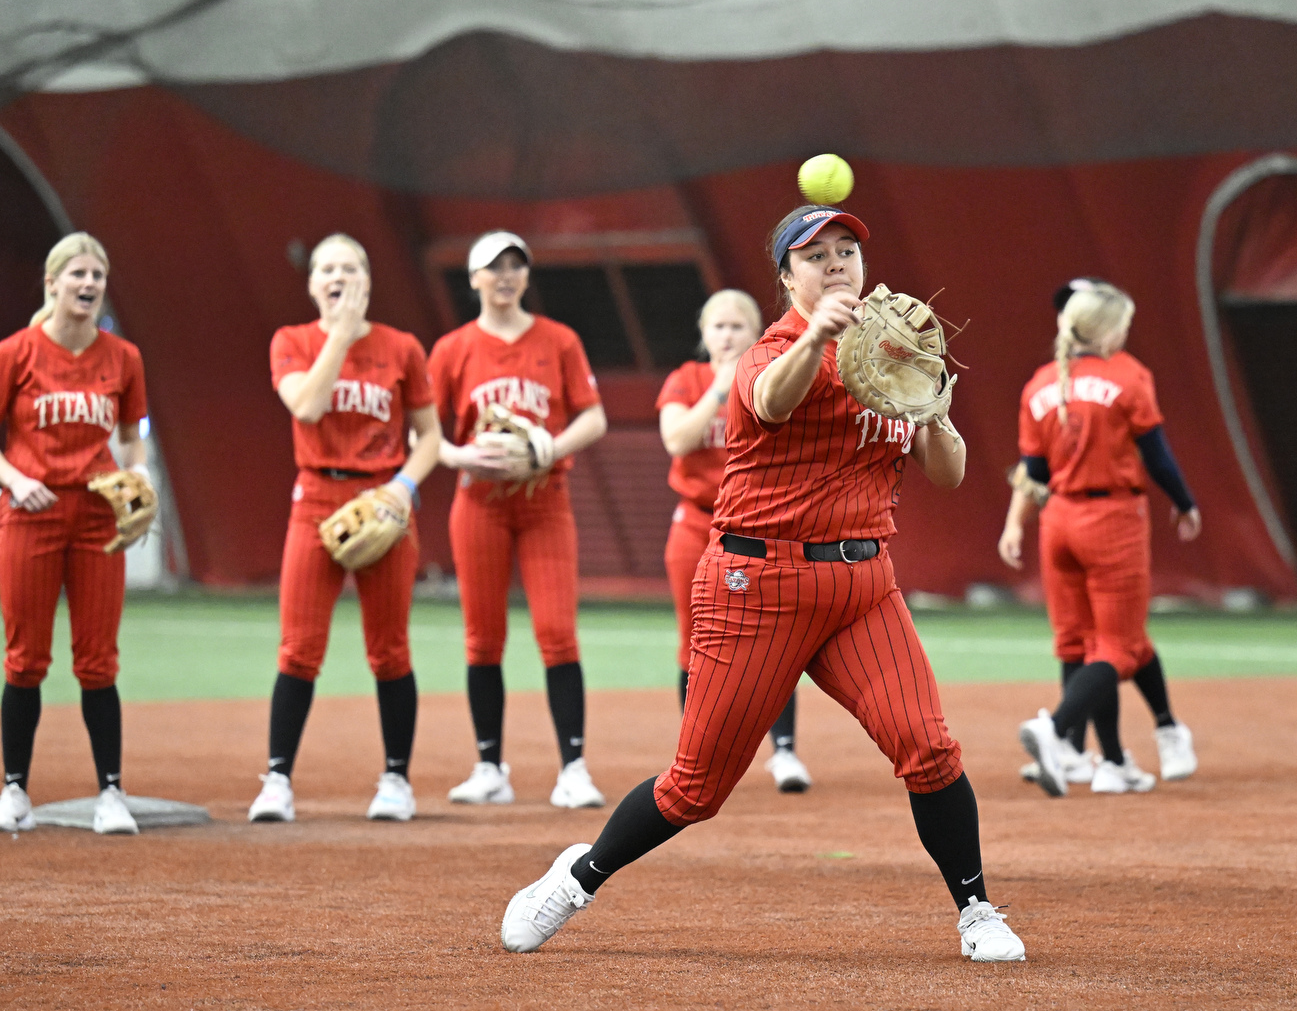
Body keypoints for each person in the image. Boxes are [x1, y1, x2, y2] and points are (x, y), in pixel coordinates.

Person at [499, 205, 1026, 963]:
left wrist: (934, 405)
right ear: (787, 278)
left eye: (849, 251)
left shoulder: (893, 355)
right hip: (758, 584)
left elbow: (949, 473)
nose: (838, 263)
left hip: (862, 589)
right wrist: (817, 333)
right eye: (818, 255)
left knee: (929, 747)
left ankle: (977, 911)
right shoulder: (772, 349)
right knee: (694, 790)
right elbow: (773, 400)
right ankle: (577, 877)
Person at [249, 234, 442, 823]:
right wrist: (339, 333)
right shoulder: (293, 340)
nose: (339, 276)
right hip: (316, 497)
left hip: (383, 496)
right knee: (299, 647)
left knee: (389, 650)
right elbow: (306, 407)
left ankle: (396, 780)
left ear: (368, 280)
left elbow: (429, 436)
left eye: (351, 267)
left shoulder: (402, 347)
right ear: (312, 285)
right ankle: (277, 779)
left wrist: (401, 488)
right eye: (327, 269)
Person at [0, 232, 152, 835]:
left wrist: (140, 479)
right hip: (32, 511)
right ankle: (15, 791)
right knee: (25, 660)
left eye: (97, 275)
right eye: (77, 274)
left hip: (97, 515)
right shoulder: (14, 353)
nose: (89, 285)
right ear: (51, 284)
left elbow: (129, 439)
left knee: (98, 661)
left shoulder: (123, 358)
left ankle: (111, 794)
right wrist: (13, 481)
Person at [998, 279, 1201, 797]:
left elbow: (1034, 471)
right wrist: (1184, 503)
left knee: (1078, 644)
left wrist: (1014, 521)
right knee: (1120, 646)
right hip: (1110, 520)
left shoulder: (1041, 383)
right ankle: (1057, 730)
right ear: (1109, 330)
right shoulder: (1128, 375)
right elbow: (1157, 455)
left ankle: (1110, 762)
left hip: (1058, 522)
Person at [429, 231, 609, 810]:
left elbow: (594, 417)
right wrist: (460, 455)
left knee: (557, 633)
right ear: (474, 278)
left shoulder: (558, 340)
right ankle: (489, 767)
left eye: (515, 266)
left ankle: (574, 768)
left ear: (526, 277)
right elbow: (424, 433)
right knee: (483, 639)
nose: (505, 276)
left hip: (544, 502)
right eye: (493, 267)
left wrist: (549, 449)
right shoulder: (453, 348)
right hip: (479, 503)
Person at [658, 289, 811, 793]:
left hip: (756, 528)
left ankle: (784, 751)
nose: (727, 336)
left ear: (755, 333)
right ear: (704, 334)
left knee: (777, 639)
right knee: (694, 639)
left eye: (737, 327)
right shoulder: (687, 378)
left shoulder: (771, 376)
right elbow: (678, 440)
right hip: (695, 526)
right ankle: (694, 755)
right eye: (718, 327)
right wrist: (718, 389)